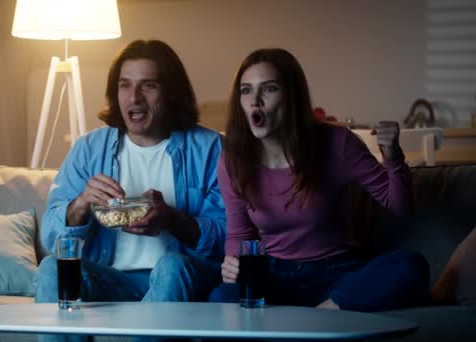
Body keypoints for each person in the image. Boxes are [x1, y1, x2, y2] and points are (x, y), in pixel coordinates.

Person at [208, 48, 430, 312]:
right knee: (221, 298)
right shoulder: (233, 158)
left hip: (336, 274)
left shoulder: (338, 144)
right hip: (273, 275)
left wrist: (392, 156)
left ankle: (322, 314)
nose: (255, 101)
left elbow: (401, 207)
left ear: (292, 97)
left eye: (268, 89)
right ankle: (313, 323)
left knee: (410, 266)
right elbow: (240, 234)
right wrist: (233, 262)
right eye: (246, 90)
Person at [34, 39, 226, 337]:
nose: (134, 97)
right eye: (125, 85)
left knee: (172, 266)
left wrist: (172, 219)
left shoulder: (210, 148)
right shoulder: (89, 149)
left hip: (180, 282)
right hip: (110, 281)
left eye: (148, 85)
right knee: (52, 267)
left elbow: (229, 235)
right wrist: (81, 204)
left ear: (171, 92)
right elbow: (51, 236)